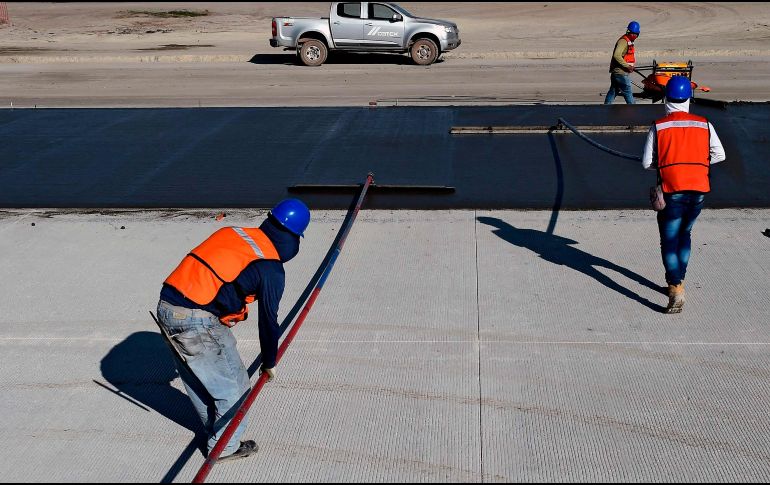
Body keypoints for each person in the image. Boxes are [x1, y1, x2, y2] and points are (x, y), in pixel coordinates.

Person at [155, 199, 310, 461]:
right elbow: (269, 322)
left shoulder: (233, 232)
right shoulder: (271, 268)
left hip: (167, 307)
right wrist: (269, 362)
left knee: (199, 382)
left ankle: (215, 432)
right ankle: (224, 447)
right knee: (235, 389)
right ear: (294, 238)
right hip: (197, 320)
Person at [642, 76, 726, 313]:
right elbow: (719, 155)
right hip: (698, 189)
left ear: (666, 99)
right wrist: (697, 163)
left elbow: (647, 162)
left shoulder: (659, 126)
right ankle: (681, 279)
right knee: (685, 233)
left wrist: (668, 164)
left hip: (671, 190)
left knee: (669, 240)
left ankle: (676, 286)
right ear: (689, 99)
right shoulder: (704, 123)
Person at [605, 21, 640, 105]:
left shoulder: (629, 41)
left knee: (613, 91)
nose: (635, 36)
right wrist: (627, 66)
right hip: (620, 73)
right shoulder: (623, 41)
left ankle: (605, 108)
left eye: (636, 34)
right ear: (630, 33)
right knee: (627, 91)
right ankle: (633, 111)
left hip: (618, 73)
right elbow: (616, 55)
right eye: (634, 34)